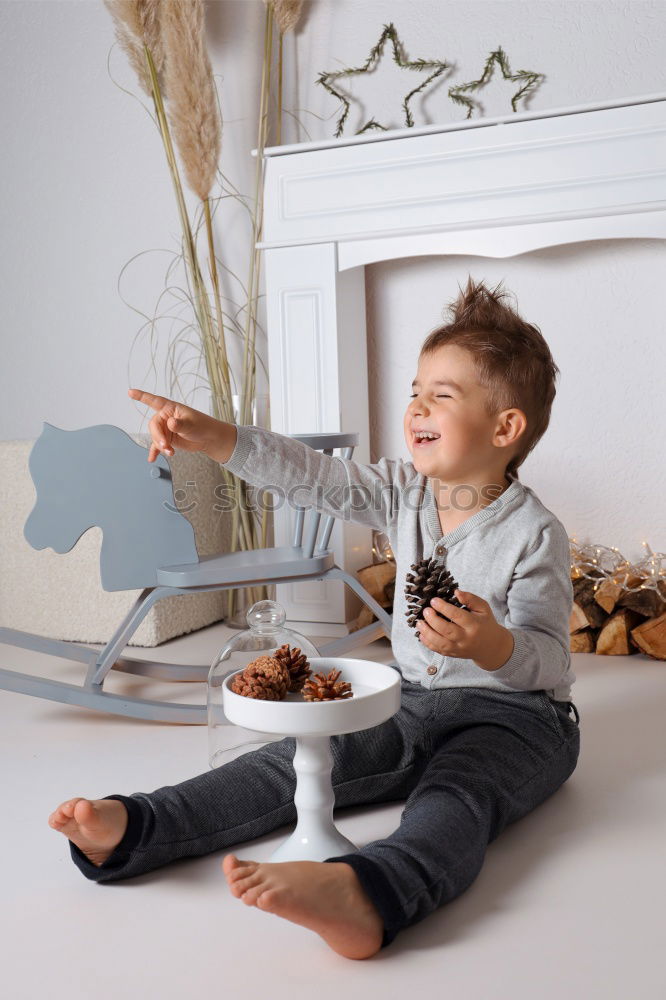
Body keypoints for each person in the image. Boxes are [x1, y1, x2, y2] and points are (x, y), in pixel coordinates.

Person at [48, 276, 580, 960]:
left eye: (441, 396)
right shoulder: (401, 493)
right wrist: (217, 439)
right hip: (413, 701)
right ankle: (144, 824)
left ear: (506, 427)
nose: (416, 404)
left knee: (457, 795)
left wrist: (496, 644)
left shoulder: (536, 533)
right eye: (415, 390)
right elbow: (314, 477)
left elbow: (554, 659)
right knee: (292, 763)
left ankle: (368, 892)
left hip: (518, 719)